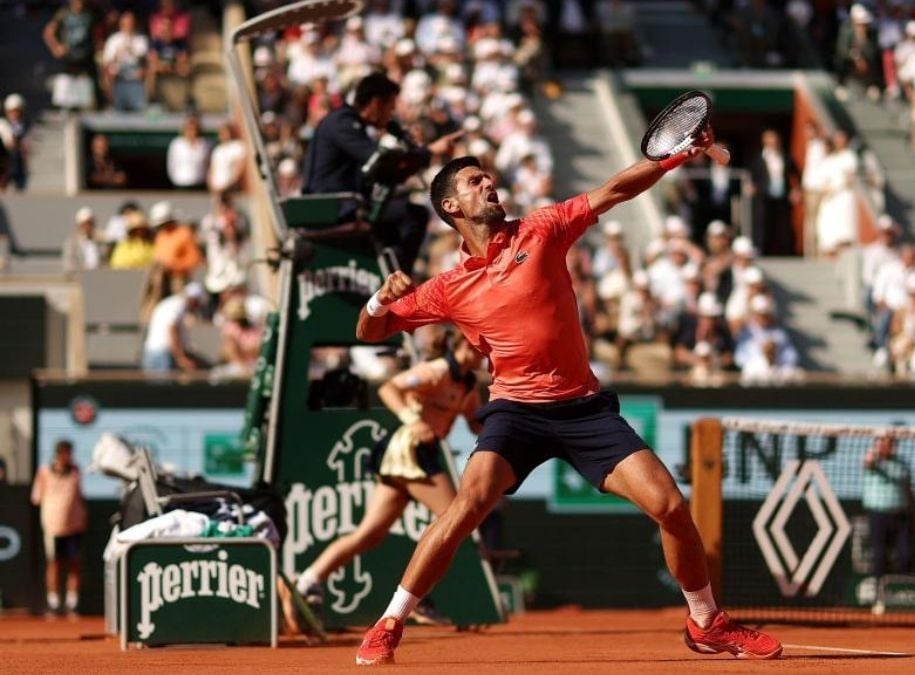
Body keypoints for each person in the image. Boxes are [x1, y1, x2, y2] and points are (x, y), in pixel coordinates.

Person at [352, 140, 782, 663]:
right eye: (474, 182)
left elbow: (614, 190)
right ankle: (389, 623)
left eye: (489, 177)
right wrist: (379, 299)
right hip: (515, 411)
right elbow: (371, 332)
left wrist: (673, 156)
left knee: (670, 506)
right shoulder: (446, 288)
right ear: (451, 208)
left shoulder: (541, 228)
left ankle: (706, 621)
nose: (489, 183)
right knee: (467, 504)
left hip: (583, 408)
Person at [294, 332, 484, 625]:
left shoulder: (469, 384)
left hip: (417, 456)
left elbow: (476, 424)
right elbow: (389, 389)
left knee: (370, 534)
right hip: (409, 450)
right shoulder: (437, 370)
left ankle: (307, 580)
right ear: (461, 345)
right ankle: (417, 593)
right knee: (455, 520)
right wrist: (414, 420)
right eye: (478, 344)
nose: (484, 350)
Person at [302, 72, 461, 275]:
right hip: (334, 207)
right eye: (390, 107)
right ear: (376, 103)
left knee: (399, 214)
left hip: (346, 204)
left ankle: (388, 277)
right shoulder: (342, 123)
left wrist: (409, 147)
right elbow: (378, 162)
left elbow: (379, 171)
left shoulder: (352, 123)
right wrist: (430, 151)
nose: (392, 114)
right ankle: (398, 282)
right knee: (414, 215)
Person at [31, 439, 88, 615]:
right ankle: (54, 602)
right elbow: (36, 498)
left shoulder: (76, 471)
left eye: (69, 453)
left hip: (75, 525)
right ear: (57, 454)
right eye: (64, 453)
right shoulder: (44, 471)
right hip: (53, 526)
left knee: (74, 563)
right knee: (54, 563)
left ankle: (72, 602)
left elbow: (80, 494)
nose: (67, 457)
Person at [862, 435, 915, 590]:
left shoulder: (902, 464)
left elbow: (910, 490)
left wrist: (914, 515)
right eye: (883, 444)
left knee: (906, 555)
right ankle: (880, 593)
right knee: (879, 556)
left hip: (901, 516)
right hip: (878, 516)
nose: (887, 446)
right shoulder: (873, 461)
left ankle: (900, 590)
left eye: (890, 444)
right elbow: (868, 462)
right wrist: (877, 451)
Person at [141, 281, 206, 373]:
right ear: (193, 299)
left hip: (153, 353)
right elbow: (172, 329)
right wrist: (181, 358)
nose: (197, 307)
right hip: (162, 355)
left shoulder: (172, 304)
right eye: (197, 303)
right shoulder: (178, 305)